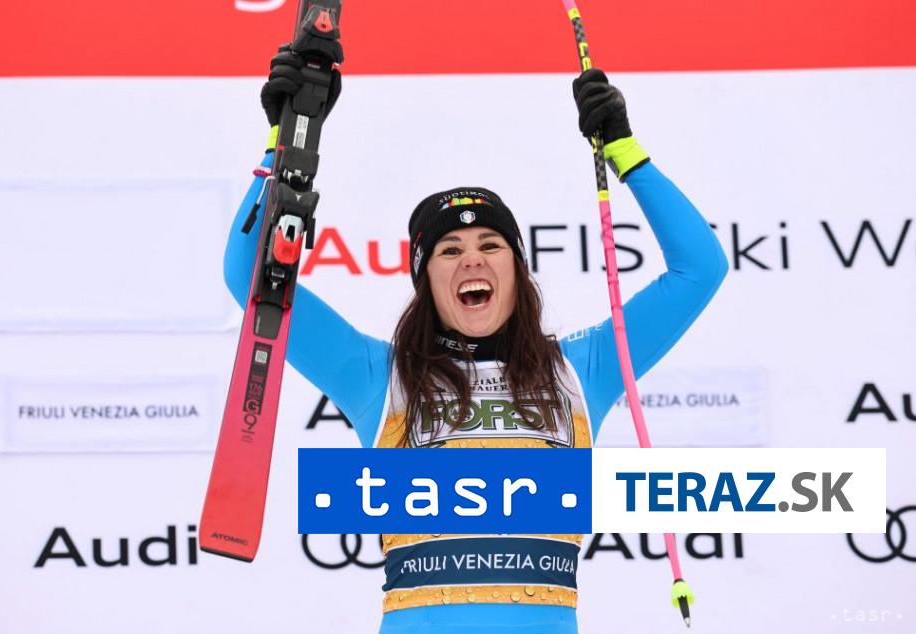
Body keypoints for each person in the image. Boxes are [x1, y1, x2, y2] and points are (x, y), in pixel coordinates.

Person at [224, 48, 728, 634]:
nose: (472, 260)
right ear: (426, 282)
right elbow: (249, 277)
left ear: (517, 269)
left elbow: (700, 269)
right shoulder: (378, 377)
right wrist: (285, 144)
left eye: (491, 245)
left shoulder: (581, 370)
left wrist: (625, 152)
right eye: (449, 251)